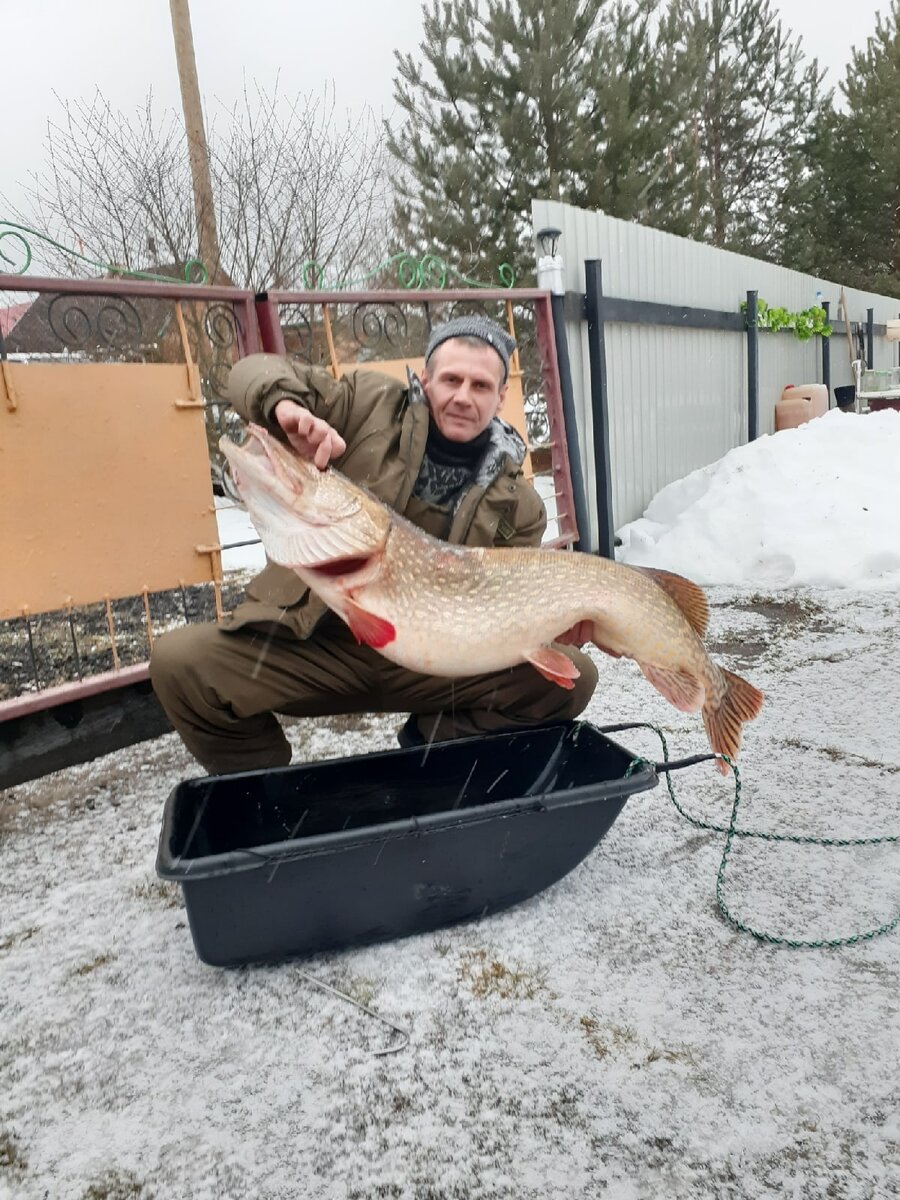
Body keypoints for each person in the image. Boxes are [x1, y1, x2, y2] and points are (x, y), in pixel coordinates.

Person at [150, 315, 598, 775]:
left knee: (572, 679)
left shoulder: (521, 505)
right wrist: (283, 404)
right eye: (451, 379)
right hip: (316, 645)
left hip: (431, 664)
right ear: (427, 379)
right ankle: (265, 792)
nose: (463, 396)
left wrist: (550, 626)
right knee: (180, 664)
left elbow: (508, 610)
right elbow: (250, 371)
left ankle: (432, 753)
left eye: (481, 385)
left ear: (501, 395)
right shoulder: (365, 404)